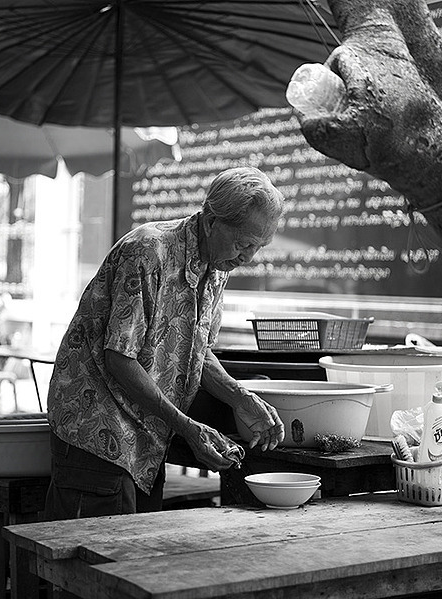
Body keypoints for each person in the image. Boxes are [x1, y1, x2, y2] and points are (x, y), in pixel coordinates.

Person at [47, 166, 286, 519]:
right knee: (97, 548)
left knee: (142, 547)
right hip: (98, 428)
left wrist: (240, 397)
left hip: (147, 436)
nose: (248, 257)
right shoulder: (148, 252)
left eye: (259, 247)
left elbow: (197, 352)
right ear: (211, 221)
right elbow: (119, 358)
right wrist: (187, 427)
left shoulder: (217, 266)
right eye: (243, 244)